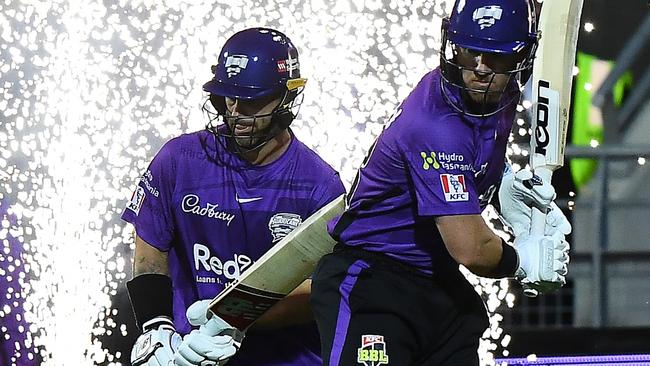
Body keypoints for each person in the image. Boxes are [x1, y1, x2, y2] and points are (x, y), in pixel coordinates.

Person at [310, 0, 571, 365]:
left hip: (435, 279)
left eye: (494, 56)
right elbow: (471, 249)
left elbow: (473, 151)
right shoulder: (436, 123)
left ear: (521, 56)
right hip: (375, 280)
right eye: (470, 52)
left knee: (466, 316)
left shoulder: (502, 92)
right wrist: (521, 260)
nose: (478, 69)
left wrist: (502, 184)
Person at [121, 27, 345, 366]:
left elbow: (324, 288)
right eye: (227, 97)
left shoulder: (320, 185)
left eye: (251, 101)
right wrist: (156, 328)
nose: (235, 113)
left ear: (287, 96)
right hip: (187, 355)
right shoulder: (178, 160)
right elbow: (149, 252)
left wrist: (229, 320)